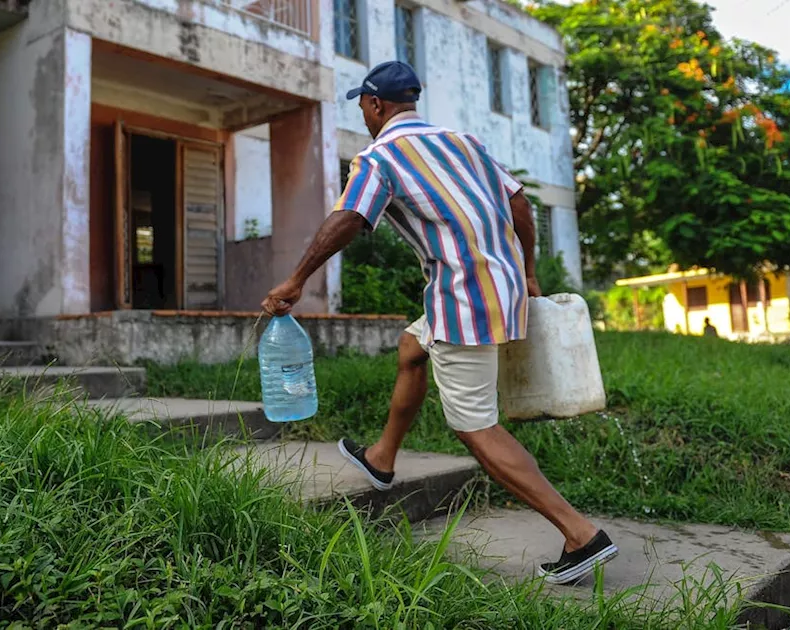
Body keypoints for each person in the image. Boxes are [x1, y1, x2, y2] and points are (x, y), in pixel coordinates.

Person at [261, 61, 617, 585]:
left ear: (376, 104)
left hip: (464, 297)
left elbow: (349, 219)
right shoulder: (462, 141)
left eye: (362, 104)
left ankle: (580, 534)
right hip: (500, 285)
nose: (362, 113)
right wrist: (530, 273)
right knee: (411, 347)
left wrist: (294, 281)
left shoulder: (379, 156)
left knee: (475, 427)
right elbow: (520, 205)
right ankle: (381, 458)